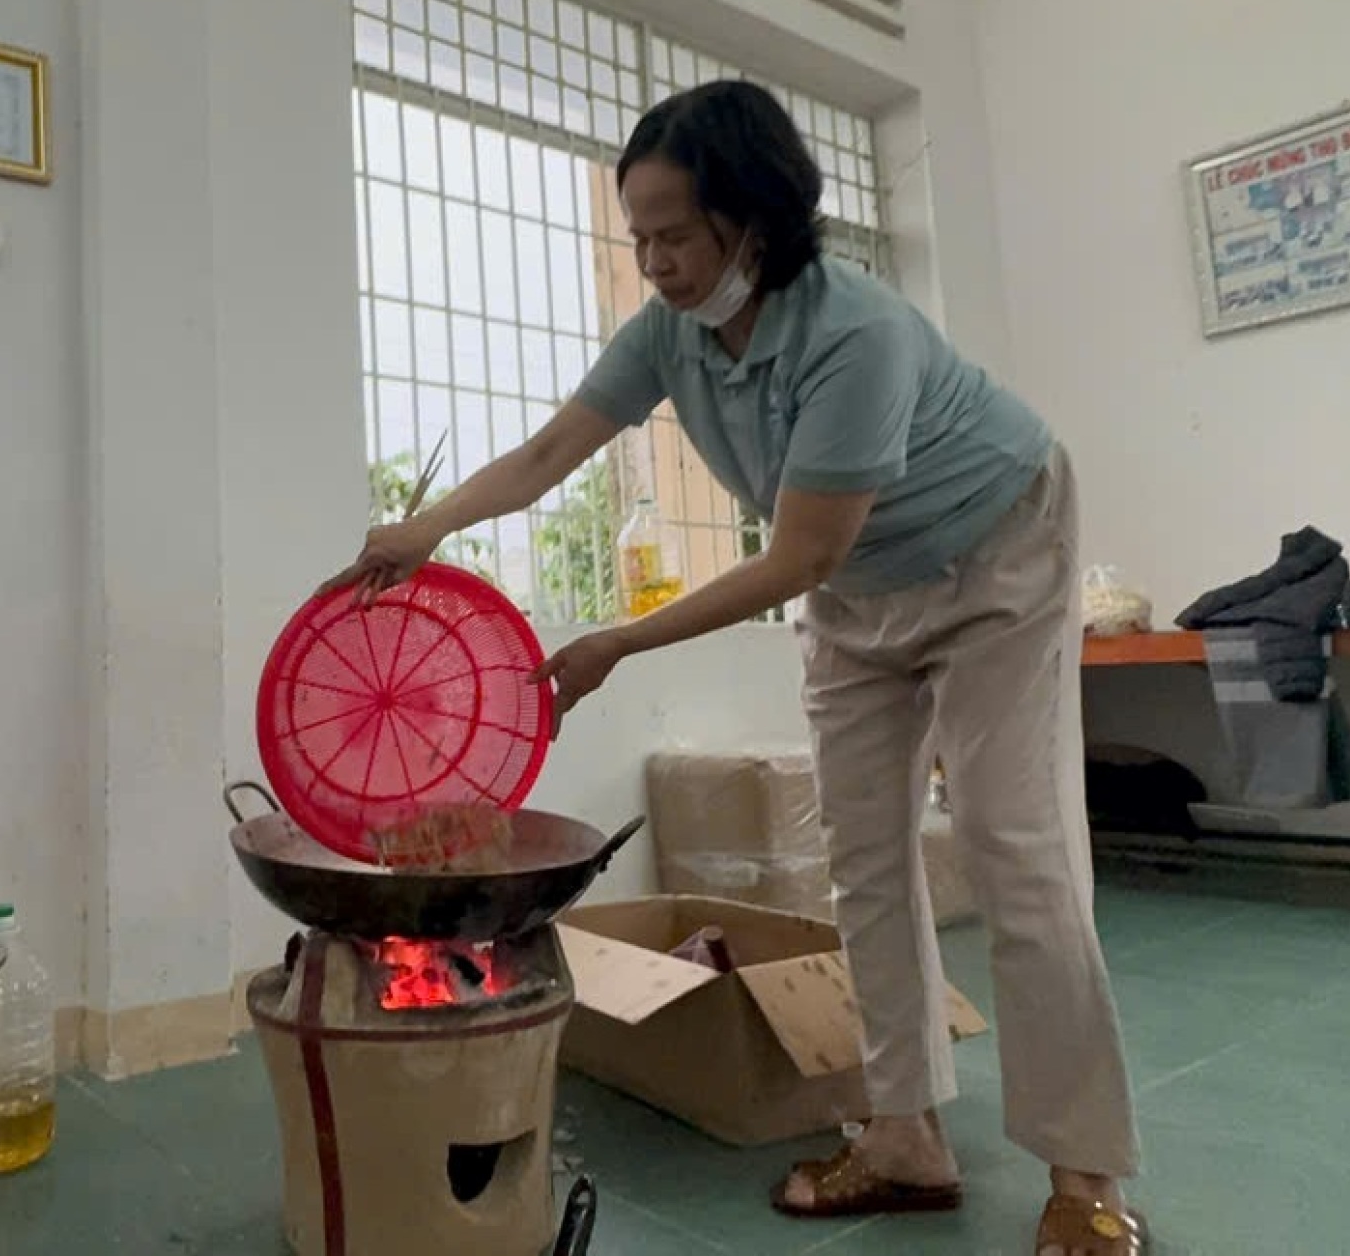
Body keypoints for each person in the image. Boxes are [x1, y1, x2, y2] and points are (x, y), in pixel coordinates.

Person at [324, 83, 1146, 1255]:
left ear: (752, 220)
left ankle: (1087, 1174)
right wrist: (427, 529)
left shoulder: (857, 333)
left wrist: (616, 639)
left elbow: (797, 555)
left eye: (676, 232)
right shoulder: (670, 330)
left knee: (1020, 852)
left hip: (995, 553)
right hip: (862, 593)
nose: (654, 260)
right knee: (860, 859)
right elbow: (559, 445)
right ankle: (905, 1137)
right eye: (638, 236)